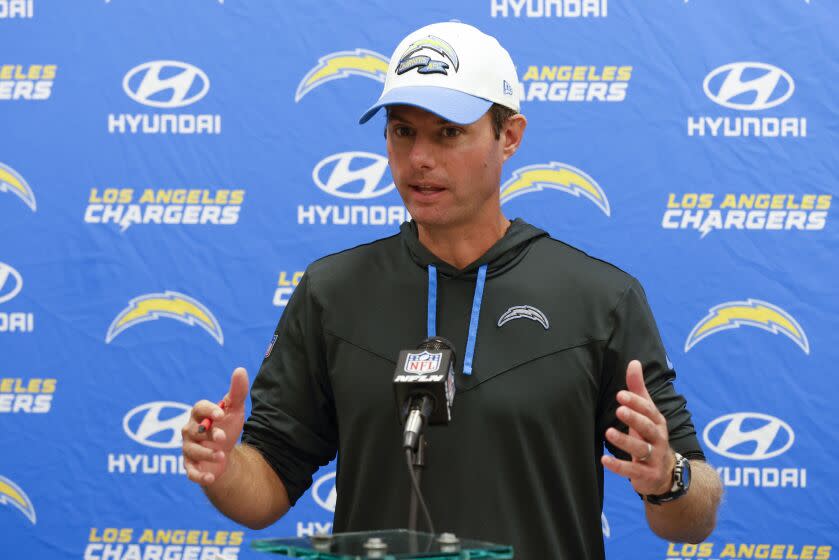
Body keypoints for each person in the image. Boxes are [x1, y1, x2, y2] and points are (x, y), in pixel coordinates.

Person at [181, 21, 723, 559]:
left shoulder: (599, 299)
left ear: (509, 136)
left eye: (448, 132)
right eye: (402, 131)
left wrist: (667, 476)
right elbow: (269, 482)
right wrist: (224, 468)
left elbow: (695, 514)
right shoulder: (332, 293)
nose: (419, 158)